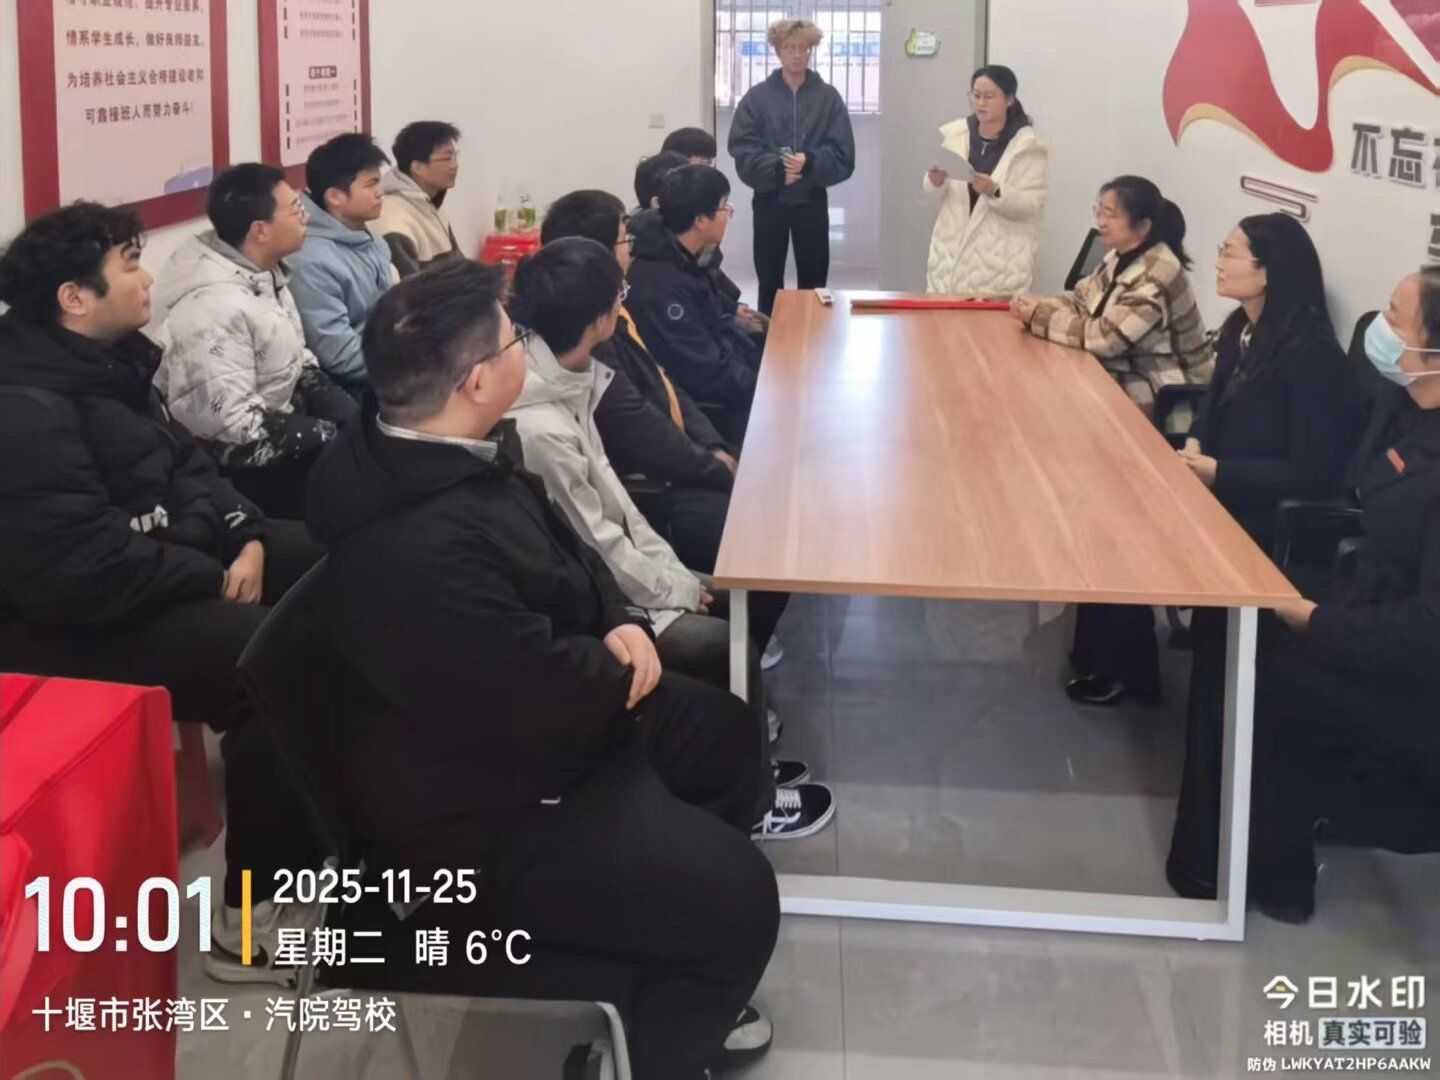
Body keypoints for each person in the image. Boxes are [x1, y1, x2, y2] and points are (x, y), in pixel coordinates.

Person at [304, 258, 781, 1078]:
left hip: (561, 711)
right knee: (742, 901)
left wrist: (620, 619)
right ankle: (655, 1041)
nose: (526, 347)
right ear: (478, 380)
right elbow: (527, 693)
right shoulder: (416, 548)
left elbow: (573, 547)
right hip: (497, 799)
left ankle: (664, 949)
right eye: (512, 338)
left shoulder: (457, 446)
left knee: (728, 737)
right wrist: (618, 667)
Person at [0, 202, 324, 981]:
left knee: (334, 559)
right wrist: (212, 571)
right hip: (64, 622)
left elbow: (189, 464)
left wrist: (244, 530)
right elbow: (79, 566)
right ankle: (248, 920)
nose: (148, 279)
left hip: (157, 566)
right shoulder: (24, 406)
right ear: (74, 297)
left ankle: (339, 797)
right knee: (278, 660)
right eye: (129, 266)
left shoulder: (109, 363)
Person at [505, 238, 830, 839]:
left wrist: (673, 574)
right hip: (602, 601)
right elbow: (594, 542)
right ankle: (753, 802)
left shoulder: (570, 374)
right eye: (618, 294)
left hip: (631, 563)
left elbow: (616, 506)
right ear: (599, 317)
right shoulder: (540, 424)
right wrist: (672, 588)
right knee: (724, 641)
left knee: (745, 595)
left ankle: (742, 755)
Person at [1066, 214, 1366, 711]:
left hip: (1265, 508)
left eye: (1230, 253)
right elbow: (1212, 404)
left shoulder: (1311, 356)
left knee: (1131, 525)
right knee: (1112, 505)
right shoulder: (1240, 330)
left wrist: (1218, 472)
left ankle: (1126, 670)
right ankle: (1110, 661)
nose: (1219, 263)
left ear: (1267, 272)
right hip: (1222, 480)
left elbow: (1314, 473)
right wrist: (1196, 444)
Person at [1218, 268, 1440, 921]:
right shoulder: (1409, 410)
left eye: (1395, 318)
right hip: (1370, 597)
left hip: (1416, 667)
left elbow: (1427, 631)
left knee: (1272, 670)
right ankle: (1241, 834)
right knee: (1239, 620)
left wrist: (1315, 620)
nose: (1378, 329)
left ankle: (1280, 873)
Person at [153, 163, 359, 518]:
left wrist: (348, 417)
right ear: (260, 230)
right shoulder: (212, 309)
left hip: (282, 430)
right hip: (238, 472)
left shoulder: (264, 274)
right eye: (295, 209)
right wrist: (329, 434)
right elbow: (230, 426)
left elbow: (298, 359)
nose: (306, 217)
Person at [728, 18, 856, 316]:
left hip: (811, 199)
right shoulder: (757, 98)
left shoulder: (828, 98)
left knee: (814, 279)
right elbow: (742, 149)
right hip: (769, 199)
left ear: (811, 50)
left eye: (803, 48)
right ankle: (768, 334)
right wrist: (777, 169)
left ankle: (814, 333)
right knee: (768, 278)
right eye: (789, 48)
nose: (797, 55)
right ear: (777, 51)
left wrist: (810, 163)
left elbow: (844, 153)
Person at [626, 165, 762, 445]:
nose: (729, 214)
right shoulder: (662, 286)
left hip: (729, 386)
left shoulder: (688, 257)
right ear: (700, 220)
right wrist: (764, 388)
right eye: (725, 206)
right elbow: (706, 371)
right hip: (710, 413)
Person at [924, 65, 1048, 297]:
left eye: (989, 96)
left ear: (1009, 99)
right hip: (949, 255)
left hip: (998, 261)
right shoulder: (956, 135)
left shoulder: (1027, 147)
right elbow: (940, 195)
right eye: (976, 95)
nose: (981, 103)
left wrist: (995, 191)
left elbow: (1031, 205)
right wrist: (935, 181)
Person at [288, 132, 396, 388]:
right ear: (335, 196)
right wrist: (416, 368)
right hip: (354, 389)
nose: (380, 192)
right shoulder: (311, 261)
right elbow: (340, 356)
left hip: (387, 366)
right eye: (370, 184)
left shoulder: (368, 237)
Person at [634, 153, 769, 343]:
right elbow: (702, 352)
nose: (729, 212)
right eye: (724, 206)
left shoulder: (690, 250)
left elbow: (716, 292)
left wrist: (731, 309)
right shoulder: (664, 278)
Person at [372, 120, 463, 277]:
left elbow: (462, 270)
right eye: (447, 158)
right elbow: (409, 289)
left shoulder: (429, 204)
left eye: (455, 156)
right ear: (418, 167)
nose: (455, 165)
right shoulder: (395, 223)